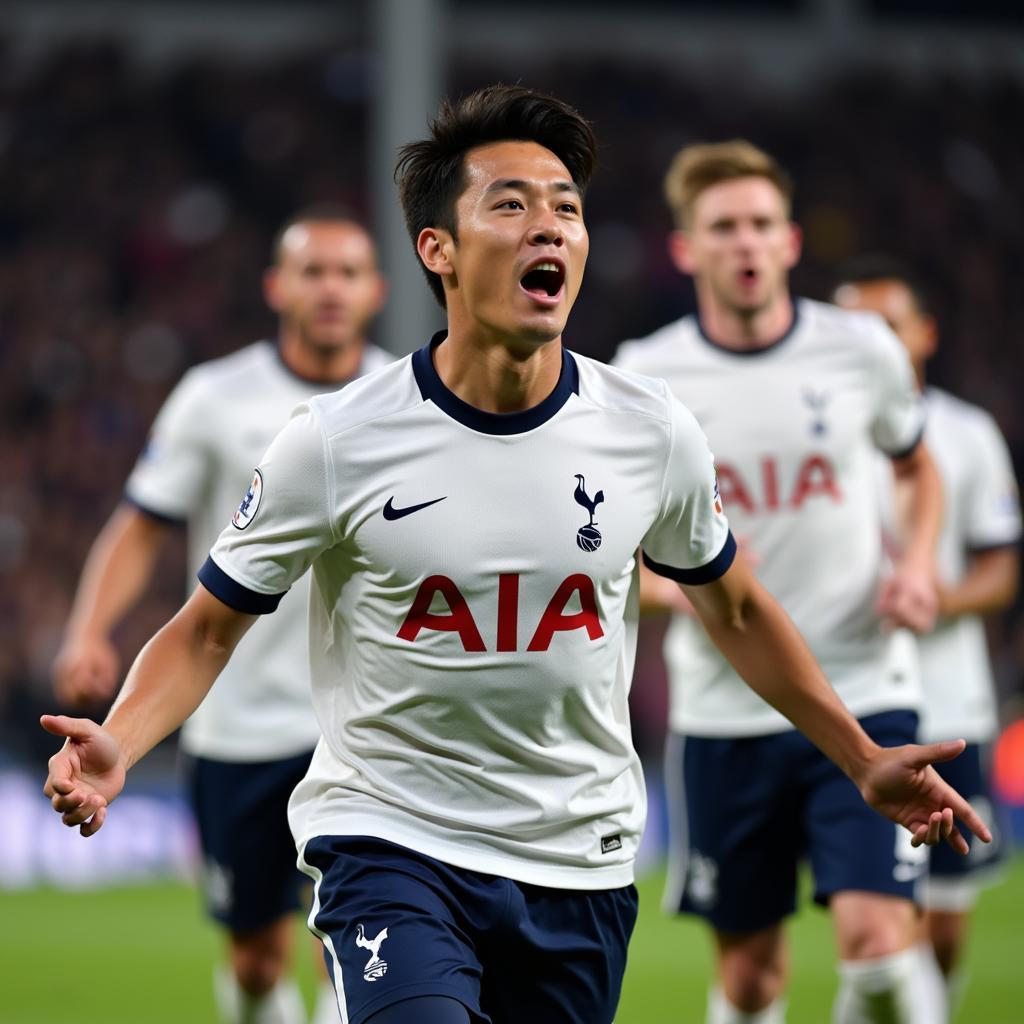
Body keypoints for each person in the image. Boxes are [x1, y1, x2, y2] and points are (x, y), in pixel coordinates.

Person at [43, 87, 988, 1024]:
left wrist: (861, 758)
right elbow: (209, 628)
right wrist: (120, 738)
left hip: (576, 854)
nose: (550, 226)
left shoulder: (649, 430)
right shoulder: (334, 441)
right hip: (390, 838)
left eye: (567, 209)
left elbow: (734, 607)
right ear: (437, 251)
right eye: (511, 204)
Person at [614, 141, 950, 1024]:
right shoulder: (645, 377)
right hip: (725, 711)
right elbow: (611, 542)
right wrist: (678, 584)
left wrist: (915, 563)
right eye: (723, 227)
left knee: (879, 946)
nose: (746, 244)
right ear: (686, 249)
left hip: (865, 688)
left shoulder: (862, 350)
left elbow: (917, 468)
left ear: (793, 241)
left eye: (761, 224)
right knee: (752, 976)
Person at [50, 205, 390, 1024]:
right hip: (236, 723)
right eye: (313, 271)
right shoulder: (214, 397)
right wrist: (88, 627)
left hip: (363, 726)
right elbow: (140, 524)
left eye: (348, 272)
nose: (331, 288)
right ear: (278, 286)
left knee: (354, 952)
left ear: (376, 290)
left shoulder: (401, 399)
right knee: (256, 958)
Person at [834, 256, 1021, 1019]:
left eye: (886, 325)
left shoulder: (966, 435)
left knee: (942, 924)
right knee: (879, 927)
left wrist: (934, 598)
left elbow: (1001, 571)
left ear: (924, 334)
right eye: (854, 328)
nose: (870, 342)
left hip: (950, 701)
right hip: (852, 704)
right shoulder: (818, 430)